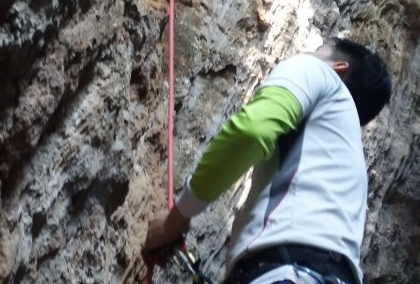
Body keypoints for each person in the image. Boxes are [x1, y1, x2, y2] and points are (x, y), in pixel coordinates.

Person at [143, 38, 392, 284]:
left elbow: (252, 131)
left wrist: (176, 220)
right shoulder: (346, 165)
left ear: (338, 68)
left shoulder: (320, 73)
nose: (307, 54)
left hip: (292, 271)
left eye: (318, 49)